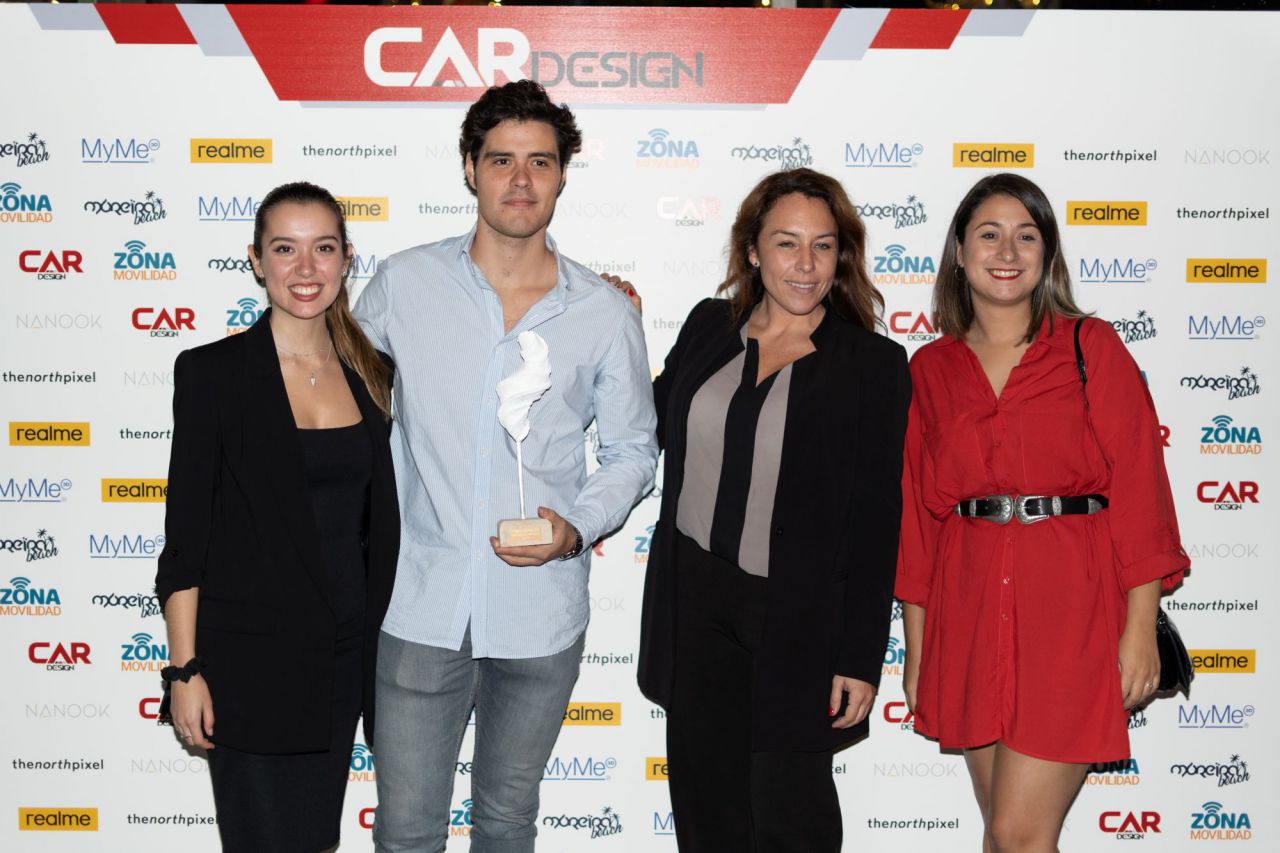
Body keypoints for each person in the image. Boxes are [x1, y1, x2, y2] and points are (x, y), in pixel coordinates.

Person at [352, 80, 657, 853]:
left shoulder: (603, 311)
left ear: (562, 175)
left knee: (507, 822)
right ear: (469, 167)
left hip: (540, 612)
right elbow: (337, 408)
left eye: (540, 162)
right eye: (501, 160)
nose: (521, 180)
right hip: (418, 604)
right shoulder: (402, 285)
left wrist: (575, 527)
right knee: (406, 832)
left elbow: (632, 451)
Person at [895, 173, 1188, 852]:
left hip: (1070, 614)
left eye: (1026, 236)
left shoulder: (1091, 347)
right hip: (968, 615)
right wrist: (919, 650)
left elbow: (1140, 491)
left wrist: (1138, 628)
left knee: (1018, 834)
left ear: (1047, 254)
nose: (1007, 251)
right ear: (959, 252)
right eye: (989, 234)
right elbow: (918, 522)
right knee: (1000, 838)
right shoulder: (930, 369)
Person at [637, 168, 911, 852]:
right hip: (695, 607)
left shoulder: (872, 364)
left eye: (824, 245)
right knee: (707, 820)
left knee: (793, 821)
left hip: (797, 619)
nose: (806, 264)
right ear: (752, 251)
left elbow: (877, 519)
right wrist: (615, 323)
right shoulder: (708, 325)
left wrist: (860, 655)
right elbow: (650, 421)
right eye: (787, 243)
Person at [154, 181, 400, 852]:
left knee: (315, 840)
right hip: (246, 662)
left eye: (324, 248)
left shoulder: (374, 375)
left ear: (347, 258)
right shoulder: (213, 373)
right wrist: (184, 670)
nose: (305, 268)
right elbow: (186, 540)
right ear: (256, 260)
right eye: (285, 249)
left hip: (343, 659)